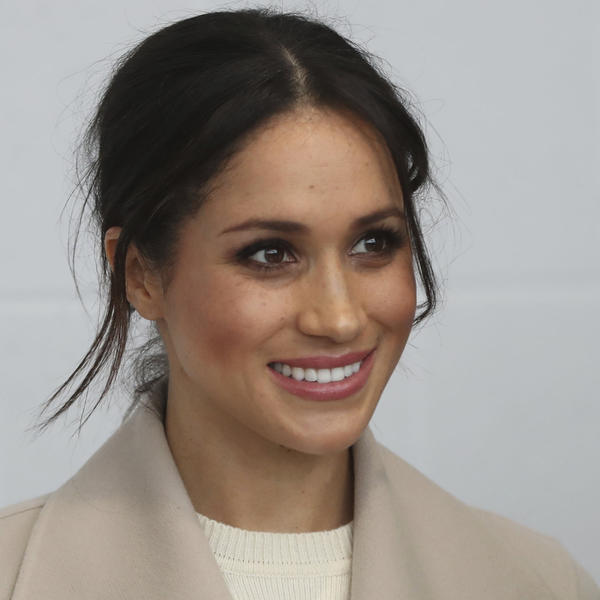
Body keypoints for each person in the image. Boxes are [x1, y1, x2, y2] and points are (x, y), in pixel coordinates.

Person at [0, 8, 598, 600]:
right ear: (140, 275)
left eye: (373, 243)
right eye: (270, 254)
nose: (339, 318)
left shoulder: (537, 583)